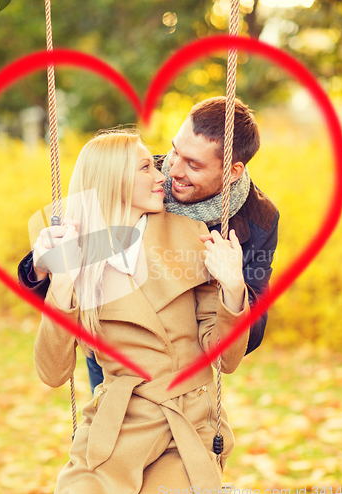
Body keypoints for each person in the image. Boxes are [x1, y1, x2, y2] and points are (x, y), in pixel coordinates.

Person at [34, 129, 250, 494]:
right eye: (146, 167)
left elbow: (225, 360)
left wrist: (233, 289)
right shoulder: (77, 250)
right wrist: (62, 285)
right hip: (116, 426)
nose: (162, 176)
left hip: (184, 426)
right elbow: (53, 373)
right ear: (114, 179)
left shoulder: (191, 235)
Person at [18, 96, 279, 393]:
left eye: (193, 164)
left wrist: (229, 288)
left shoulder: (258, 220)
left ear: (232, 171)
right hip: (114, 347)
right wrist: (40, 269)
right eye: (174, 151)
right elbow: (63, 251)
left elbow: (250, 321)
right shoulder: (145, 177)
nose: (171, 171)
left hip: (183, 362)